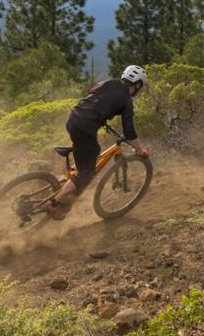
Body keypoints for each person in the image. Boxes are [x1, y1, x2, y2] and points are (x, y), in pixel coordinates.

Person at [46, 65, 150, 220]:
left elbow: (93, 96)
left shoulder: (108, 83)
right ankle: (54, 203)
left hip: (73, 119)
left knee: (90, 153)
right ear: (138, 85)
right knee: (86, 173)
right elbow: (129, 131)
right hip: (85, 128)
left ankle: (68, 186)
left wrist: (101, 118)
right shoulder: (127, 101)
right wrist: (139, 150)